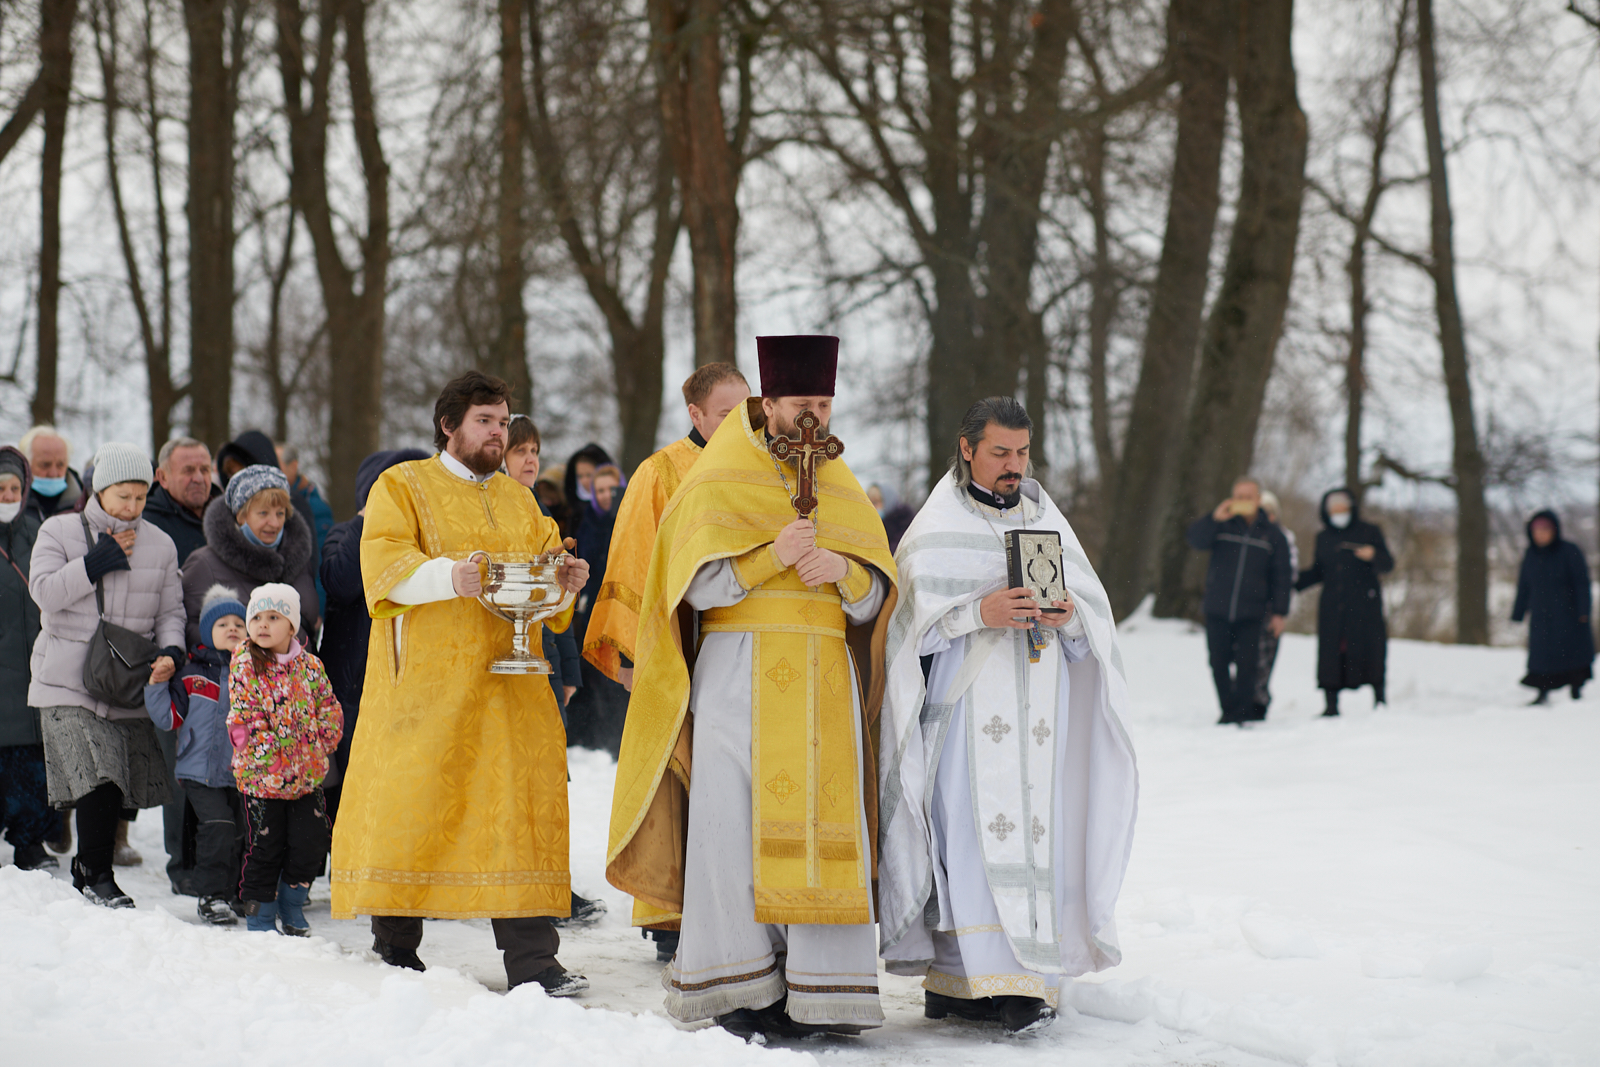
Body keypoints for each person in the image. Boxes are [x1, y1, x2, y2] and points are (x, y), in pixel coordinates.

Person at [607, 335, 898, 1041]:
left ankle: (818, 987)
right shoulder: (716, 475)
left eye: (824, 403)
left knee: (822, 829)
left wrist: (845, 572)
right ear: (769, 403)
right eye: (802, 403)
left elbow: (877, 596)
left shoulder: (841, 479)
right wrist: (775, 556)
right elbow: (688, 583)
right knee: (731, 830)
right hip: (739, 671)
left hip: (823, 677)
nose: (814, 418)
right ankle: (742, 986)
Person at [878, 397, 1139, 1035]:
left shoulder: (1047, 517)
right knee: (966, 835)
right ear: (967, 449)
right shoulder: (935, 526)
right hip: (965, 711)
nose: (1013, 466)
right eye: (1000, 453)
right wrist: (978, 613)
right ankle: (959, 980)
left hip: (1040, 717)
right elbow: (905, 633)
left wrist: (1068, 615)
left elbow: (1094, 617)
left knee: (1036, 840)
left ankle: (1024, 980)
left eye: (1022, 453)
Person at [331, 370, 591, 996]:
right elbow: (383, 571)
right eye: (485, 421)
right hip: (429, 686)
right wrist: (451, 576)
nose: (499, 433)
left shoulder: (522, 500)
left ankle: (534, 962)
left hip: (512, 686)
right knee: (417, 805)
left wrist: (566, 580)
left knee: (519, 813)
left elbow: (546, 581)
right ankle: (397, 944)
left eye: (504, 422)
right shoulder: (404, 485)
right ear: (449, 425)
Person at [582, 360, 748, 962]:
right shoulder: (660, 472)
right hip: (677, 647)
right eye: (728, 413)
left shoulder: (765, 466)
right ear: (697, 415)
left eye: (748, 410)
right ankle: (673, 914)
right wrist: (632, 656)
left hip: (745, 646)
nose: (742, 422)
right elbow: (631, 563)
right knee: (679, 776)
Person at [28, 443, 184, 907]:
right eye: (122, 496)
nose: (132, 508)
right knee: (98, 772)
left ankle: (89, 867)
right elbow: (44, 593)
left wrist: (172, 649)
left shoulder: (160, 543)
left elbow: (171, 610)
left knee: (116, 780)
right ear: (99, 490)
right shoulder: (58, 531)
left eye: (140, 497)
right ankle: (97, 876)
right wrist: (97, 561)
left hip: (126, 680)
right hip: (66, 680)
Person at [501, 417, 603, 927]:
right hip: (503, 669)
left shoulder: (540, 513)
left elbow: (554, 611)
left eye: (535, 450)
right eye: (520, 450)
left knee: (550, 785)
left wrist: (568, 674)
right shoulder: (493, 510)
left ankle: (554, 882)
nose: (530, 460)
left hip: (542, 666)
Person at [318, 448, 430, 823]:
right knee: (353, 784)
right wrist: (369, 519)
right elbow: (341, 582)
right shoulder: (344, 534)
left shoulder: (422, 545)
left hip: (408, 686)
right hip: (352, 688)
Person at [228, 583, 342, 935]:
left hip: (307, 778)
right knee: (265, 847)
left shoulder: (310, 666)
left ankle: (293, 905)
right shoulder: (245, 664)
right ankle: (260, 913)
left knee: (311, 843)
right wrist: (273, 759)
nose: (263, 624)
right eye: (257, 617)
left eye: (273, 617)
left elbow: (328, 705)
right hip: (263, 780)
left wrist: (324, 739)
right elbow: (244, 719)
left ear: (292, 627)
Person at [145, 586, 251, 924]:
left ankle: (234, 893)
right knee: (218, 825)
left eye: (239, 623)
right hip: (199, 770)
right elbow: (168, 717)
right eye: (223, 624)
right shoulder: (192, 675)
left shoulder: (252, 676)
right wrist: (157, 685)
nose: (232, 628)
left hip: (240, 772)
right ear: (207, 632)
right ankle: (211, 896)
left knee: (239, 832)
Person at [1186, 477, 1291, 725]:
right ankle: (1228, 710)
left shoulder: (1273, 534)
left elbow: (1282, 575)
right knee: (1218, 662)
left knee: (1248, 666)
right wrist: (1214, 518)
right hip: (1217, 608)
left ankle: (1243, 713)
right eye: (1239, 497)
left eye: (1248, 497)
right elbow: (1194, 540)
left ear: (1258, 500)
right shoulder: (1221, 526)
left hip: (1252, 612)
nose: (1243, 502)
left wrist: (1279, 612)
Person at [180, 464, 319, 651]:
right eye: (263, 513)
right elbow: (187, 628)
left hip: (299, 676)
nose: (275, 523)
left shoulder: (299, 560)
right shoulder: (204, 564)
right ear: (241, 516)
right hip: (235, 676)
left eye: (280, 513)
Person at [1, 446, 60, 871]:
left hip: (32, 675)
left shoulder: (40, 536)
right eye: (0, 488)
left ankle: (29, 843)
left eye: (13, 488)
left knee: (32, 770)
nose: (6, 496)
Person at [1295, 488, 1393, 717]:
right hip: (1333, 607)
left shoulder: (1370, 532)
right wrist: (1291, 581)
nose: (1339, 513)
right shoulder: (1323, 538)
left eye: (1343, 508)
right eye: (1334, 509)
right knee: (1331, 653)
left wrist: (1373, 555)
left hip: (1364, 606)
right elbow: (1319, 571)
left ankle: (1379, 699)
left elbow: (1388, 564)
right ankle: (1331, 704)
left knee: (1372, 651)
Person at [567, 464, 628, 754]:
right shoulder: (588, 522)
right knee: (594, 672)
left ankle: (620, 740)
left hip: (624, 606)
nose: (606, 496)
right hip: (594, 608)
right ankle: (596, 738)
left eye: (611, 490)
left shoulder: (630, 517)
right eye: (600, 490)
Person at [1511, 510, 1594, 705]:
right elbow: (1524, 585)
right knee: (1542, 655)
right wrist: (1518, 612)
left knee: (1571, 653)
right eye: (1536, 530)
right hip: (1541, 615)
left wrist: (1584, 610)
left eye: (1545, 530)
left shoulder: (1569, 551)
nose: (1540, 534)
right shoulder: (1531, 554)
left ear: (1554, 530)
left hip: (1569, 614)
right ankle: (1542, 691)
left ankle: (1575, 689)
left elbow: (1581, 583)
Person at [1252, 490, 1299, 720]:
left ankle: (1260, 699)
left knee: (1265, 657)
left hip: (1271, 607)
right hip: (1249, 604)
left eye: (1270, 511)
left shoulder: (1283, 537)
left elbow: (1288, 575)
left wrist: (1280, 610)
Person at [277, 443, 334, 613]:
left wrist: (316, 610)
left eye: (277, 465)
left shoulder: (315, 508)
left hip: (304, 609)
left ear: (293, 466)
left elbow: (322, 564)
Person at [143, 438, 220, 566]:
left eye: (205, 470)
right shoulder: (146, 525)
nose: (199, 478)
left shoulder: (229, 515)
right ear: (163, 477)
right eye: (188, 470)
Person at [19, 425, 85, 524]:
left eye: (60, 465)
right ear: (26, 464)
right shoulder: (10, 501)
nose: (53, 473)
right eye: (45, 465)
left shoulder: (85, 504)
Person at [560, 443, 614, 539]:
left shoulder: (616, 510)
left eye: (589, 475)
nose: (584, 481)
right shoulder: (575, 511)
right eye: (580, 476)